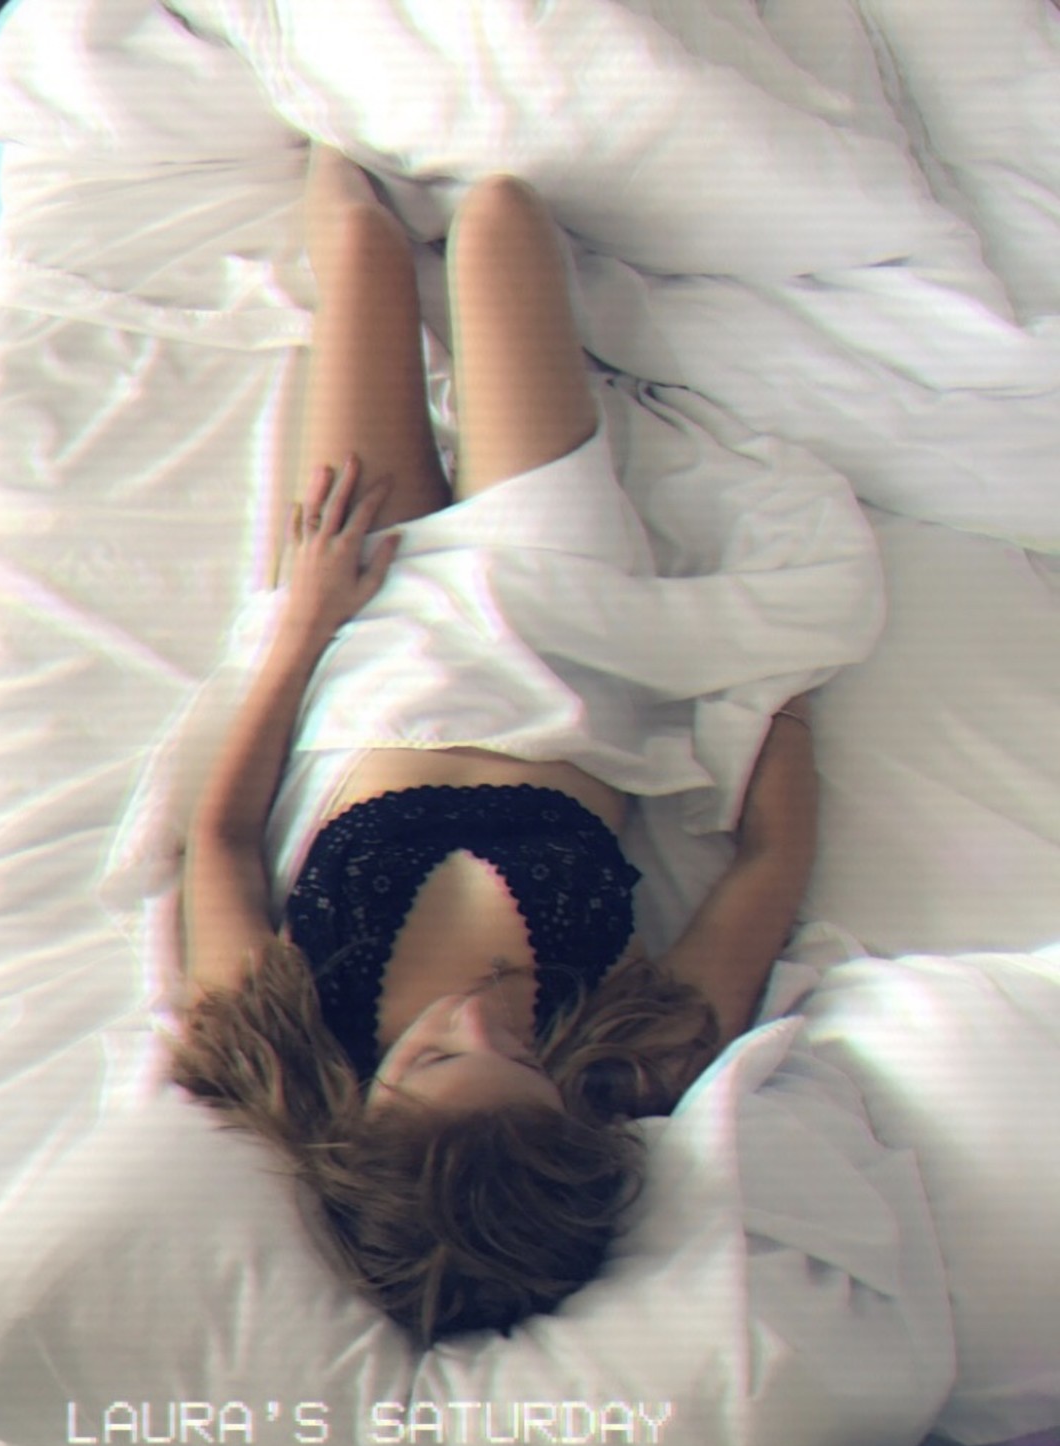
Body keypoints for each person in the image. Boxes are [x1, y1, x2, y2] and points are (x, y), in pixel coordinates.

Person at [167, 148, 818, 1348]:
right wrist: (769, 670)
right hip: (553, 608)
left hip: (367, 644)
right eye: (517, 1055)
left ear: (357, 1123)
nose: (476, 1018)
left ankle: (324, 86)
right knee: (502, 219)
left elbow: (216, 840)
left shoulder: (284, 1032)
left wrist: (304, 621)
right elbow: (772, 855)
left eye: (427, 1059)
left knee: (363, 249)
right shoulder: (637, 1059)